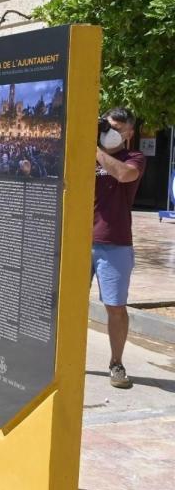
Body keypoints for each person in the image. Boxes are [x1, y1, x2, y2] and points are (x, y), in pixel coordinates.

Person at [92, 107, 145, 389]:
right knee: (65, 303)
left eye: (117, 128)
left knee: (115, 307)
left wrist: (95, 150)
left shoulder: (133, 158)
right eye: (107, 127)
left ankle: (116, 363)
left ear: (129, 133)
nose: (110, 133)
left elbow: (125, 175)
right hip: (80, 241)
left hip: (115, 244)